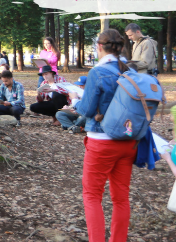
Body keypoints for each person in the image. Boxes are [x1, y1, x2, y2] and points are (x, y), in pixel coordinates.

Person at [73, 29, 133, 242]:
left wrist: (75, 100)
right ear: (121, 47)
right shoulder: (131, 72)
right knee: (121, 199)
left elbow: (87, 110)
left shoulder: (97, 73)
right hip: (128, 141)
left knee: (92, 196)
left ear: (99, 47)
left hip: (102, 142)